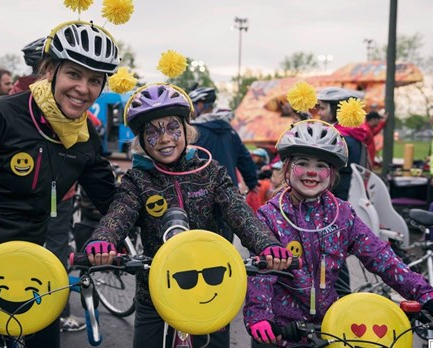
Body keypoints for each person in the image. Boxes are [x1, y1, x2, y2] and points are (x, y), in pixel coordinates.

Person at [0, 21, 121, 347]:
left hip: (31, 277)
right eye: (74, 74)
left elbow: (112, 200)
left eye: (95, 80)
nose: (83, 88)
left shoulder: (85, 134)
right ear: (50, 71)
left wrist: (161, 209)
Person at [84, 83, 292, 348]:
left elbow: (240, 212)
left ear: (186, 130)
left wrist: (268, 245)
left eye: (172, 127)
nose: (165, 138)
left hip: (212, 285)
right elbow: (119, 212)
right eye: (152, 131)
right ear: (141, 140)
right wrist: (104, 240)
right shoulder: (137, 179)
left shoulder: (211, 171)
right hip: (155, 291)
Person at [243, 119, 433, 346]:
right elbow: (262, 272)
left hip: (330, 327)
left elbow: (382, 258)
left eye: (321, 166)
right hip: (281, 329)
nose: (312, 172)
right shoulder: (269, 215)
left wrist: (425, 293)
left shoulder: (342, 215)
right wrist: (259, 316)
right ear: (287, 168)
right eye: (302, 163)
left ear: (332, 173)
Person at [188, 86, 260, 241]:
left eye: (192, 105)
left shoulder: (194, 132)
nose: (191, 111)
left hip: (200, 195)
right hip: (229, 194)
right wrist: (252, 182)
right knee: (225, 243)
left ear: (201, 104)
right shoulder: (230, 131)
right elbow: (244, 158)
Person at [316, 87, 368, 201]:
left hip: (337, 196)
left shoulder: (339, 138)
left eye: (323, 108)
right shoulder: (353, 132)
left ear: (335, 110)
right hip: (350, 192)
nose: (319, 113)